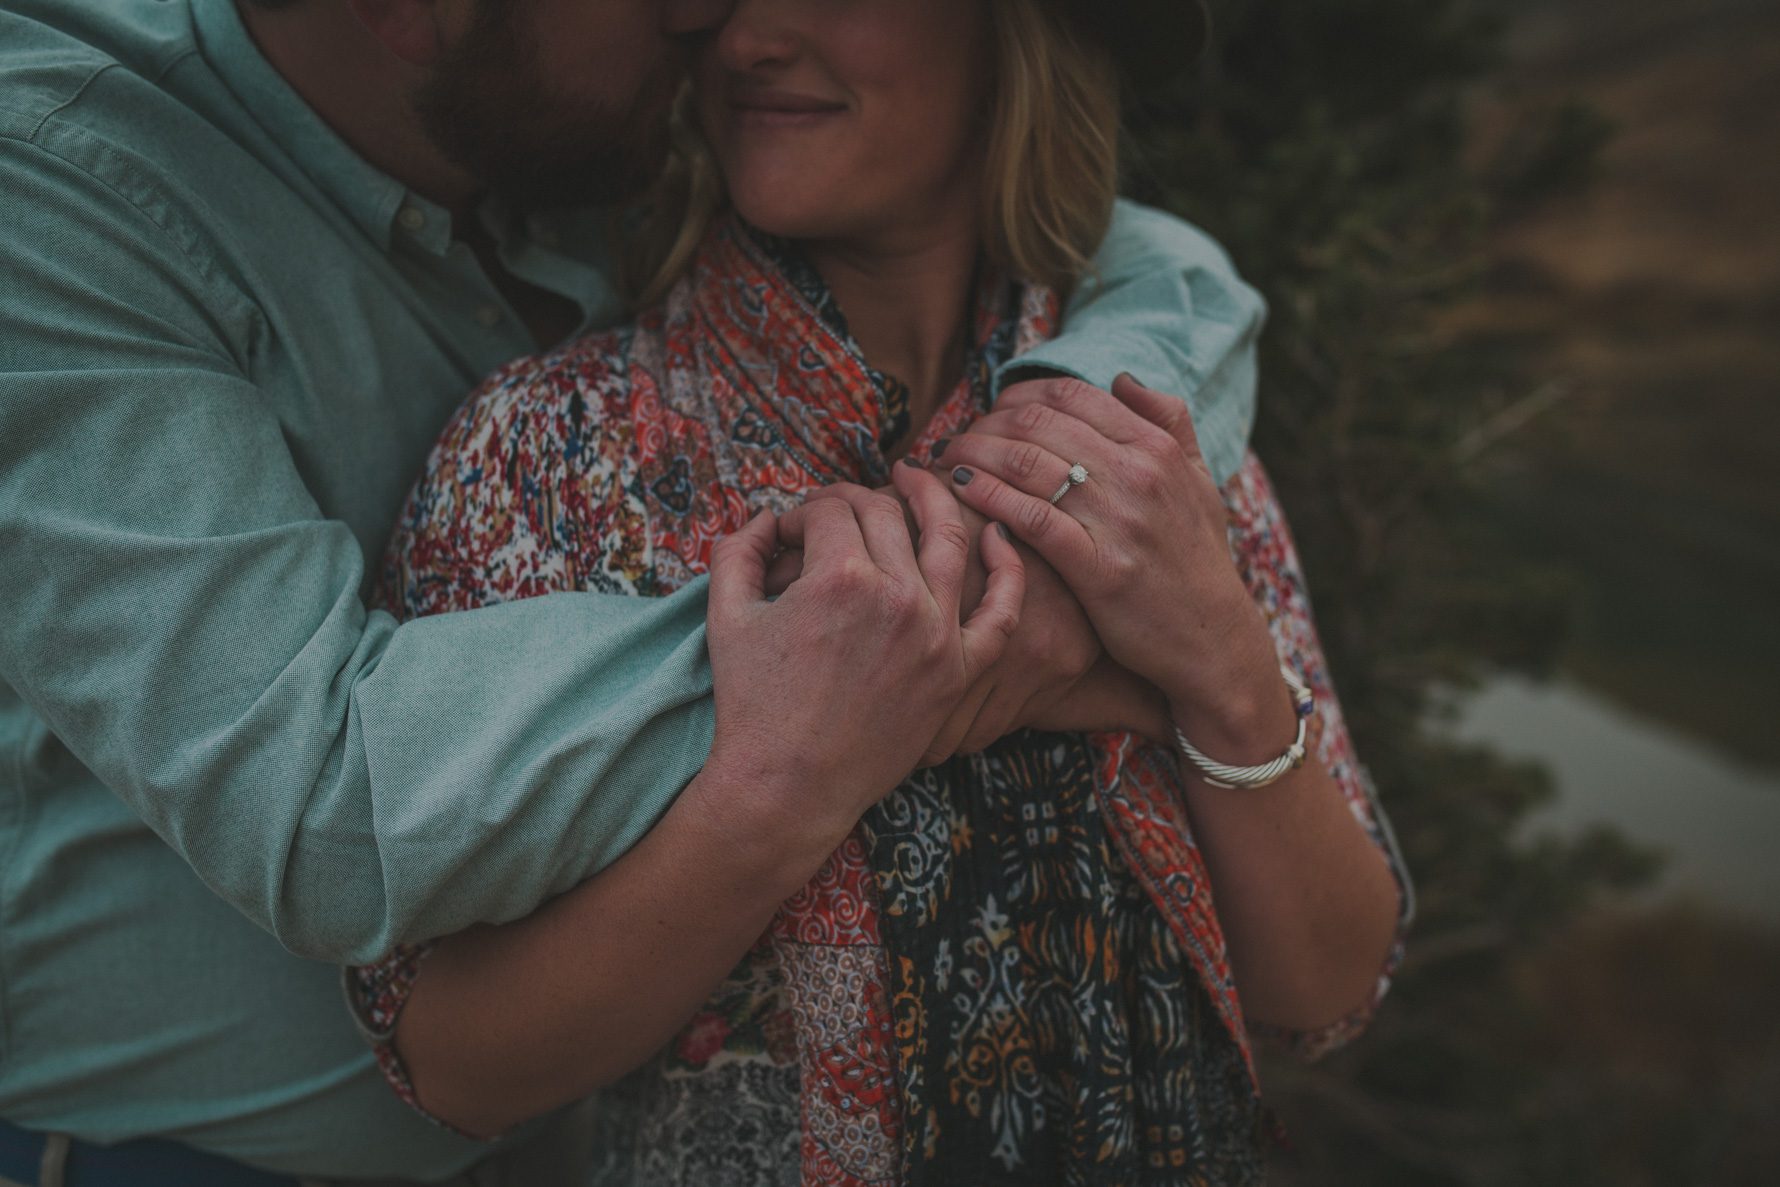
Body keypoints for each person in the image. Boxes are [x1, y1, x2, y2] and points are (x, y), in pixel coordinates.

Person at [0, 0, 1275, 1183]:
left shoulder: (572, 119)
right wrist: (950, 607)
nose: (712, 17)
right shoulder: (52, 187)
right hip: (177, 1155)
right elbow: (332, 802)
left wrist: (1061, 474)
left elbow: (1154, 266)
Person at [347, 0, 1411, 1182]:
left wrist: (1216, 667)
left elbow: (1329, 982)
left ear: (1013, 31)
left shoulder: (1142, 441)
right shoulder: (550, 451)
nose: (750, 39)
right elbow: (446, 1056)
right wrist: (784, 785)